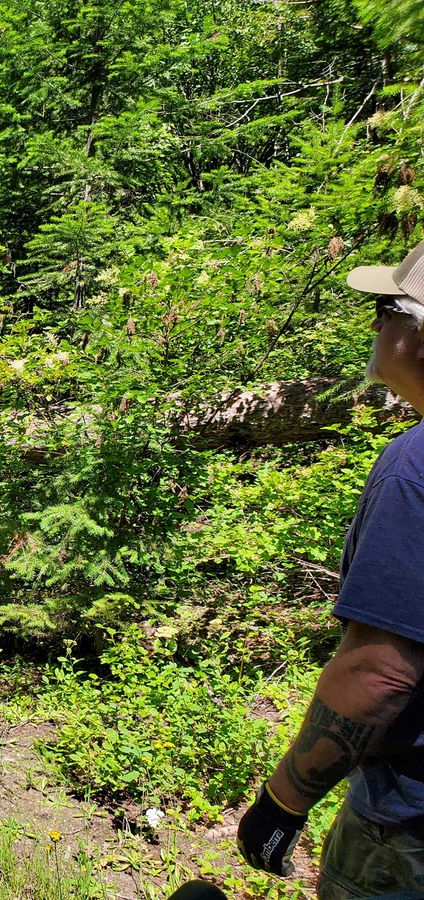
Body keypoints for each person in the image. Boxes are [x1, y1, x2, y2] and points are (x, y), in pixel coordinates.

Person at [236, 238, 424, 897]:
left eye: (388, 308)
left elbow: (381, 671)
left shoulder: (414, 467)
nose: (375, 323)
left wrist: (283, 802)